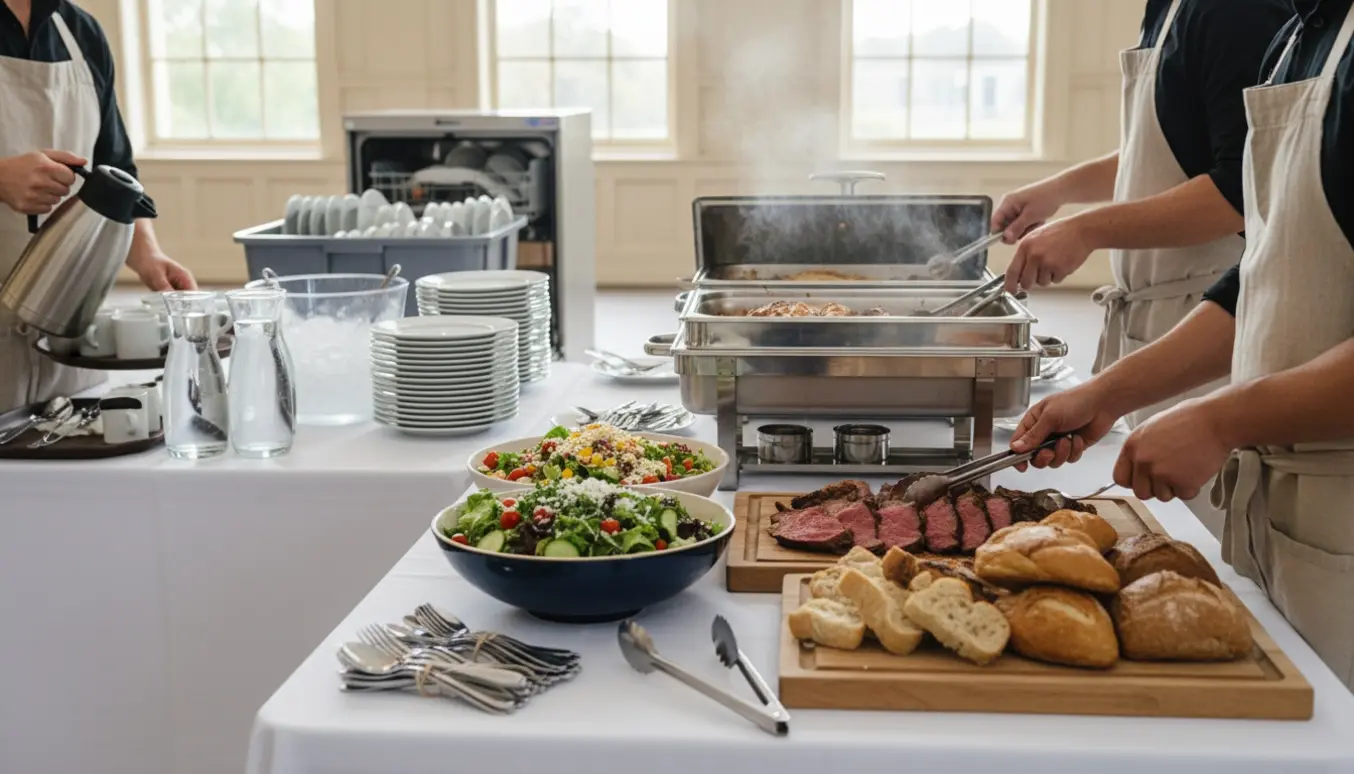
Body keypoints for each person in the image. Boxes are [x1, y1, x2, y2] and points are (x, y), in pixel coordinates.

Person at [1009, 0, 1354, 690]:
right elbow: (1263, 268)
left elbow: (1227, 198)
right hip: (1281, 514)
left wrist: (1223, 417)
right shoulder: (1303, 34)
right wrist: (1110, 392)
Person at [993, 0, 1289, 429]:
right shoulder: (1168, 10)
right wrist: (1059, 190)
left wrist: (1086, 230)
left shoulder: (1236, 12)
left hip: (1207, 325)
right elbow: (1162, 156)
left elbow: (1240, 191)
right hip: (1153, 320)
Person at [0, 0, 195, 412]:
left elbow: (115, 169)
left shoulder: (81, 32)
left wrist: (147, 255)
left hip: (67, 346)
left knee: (73, 470)